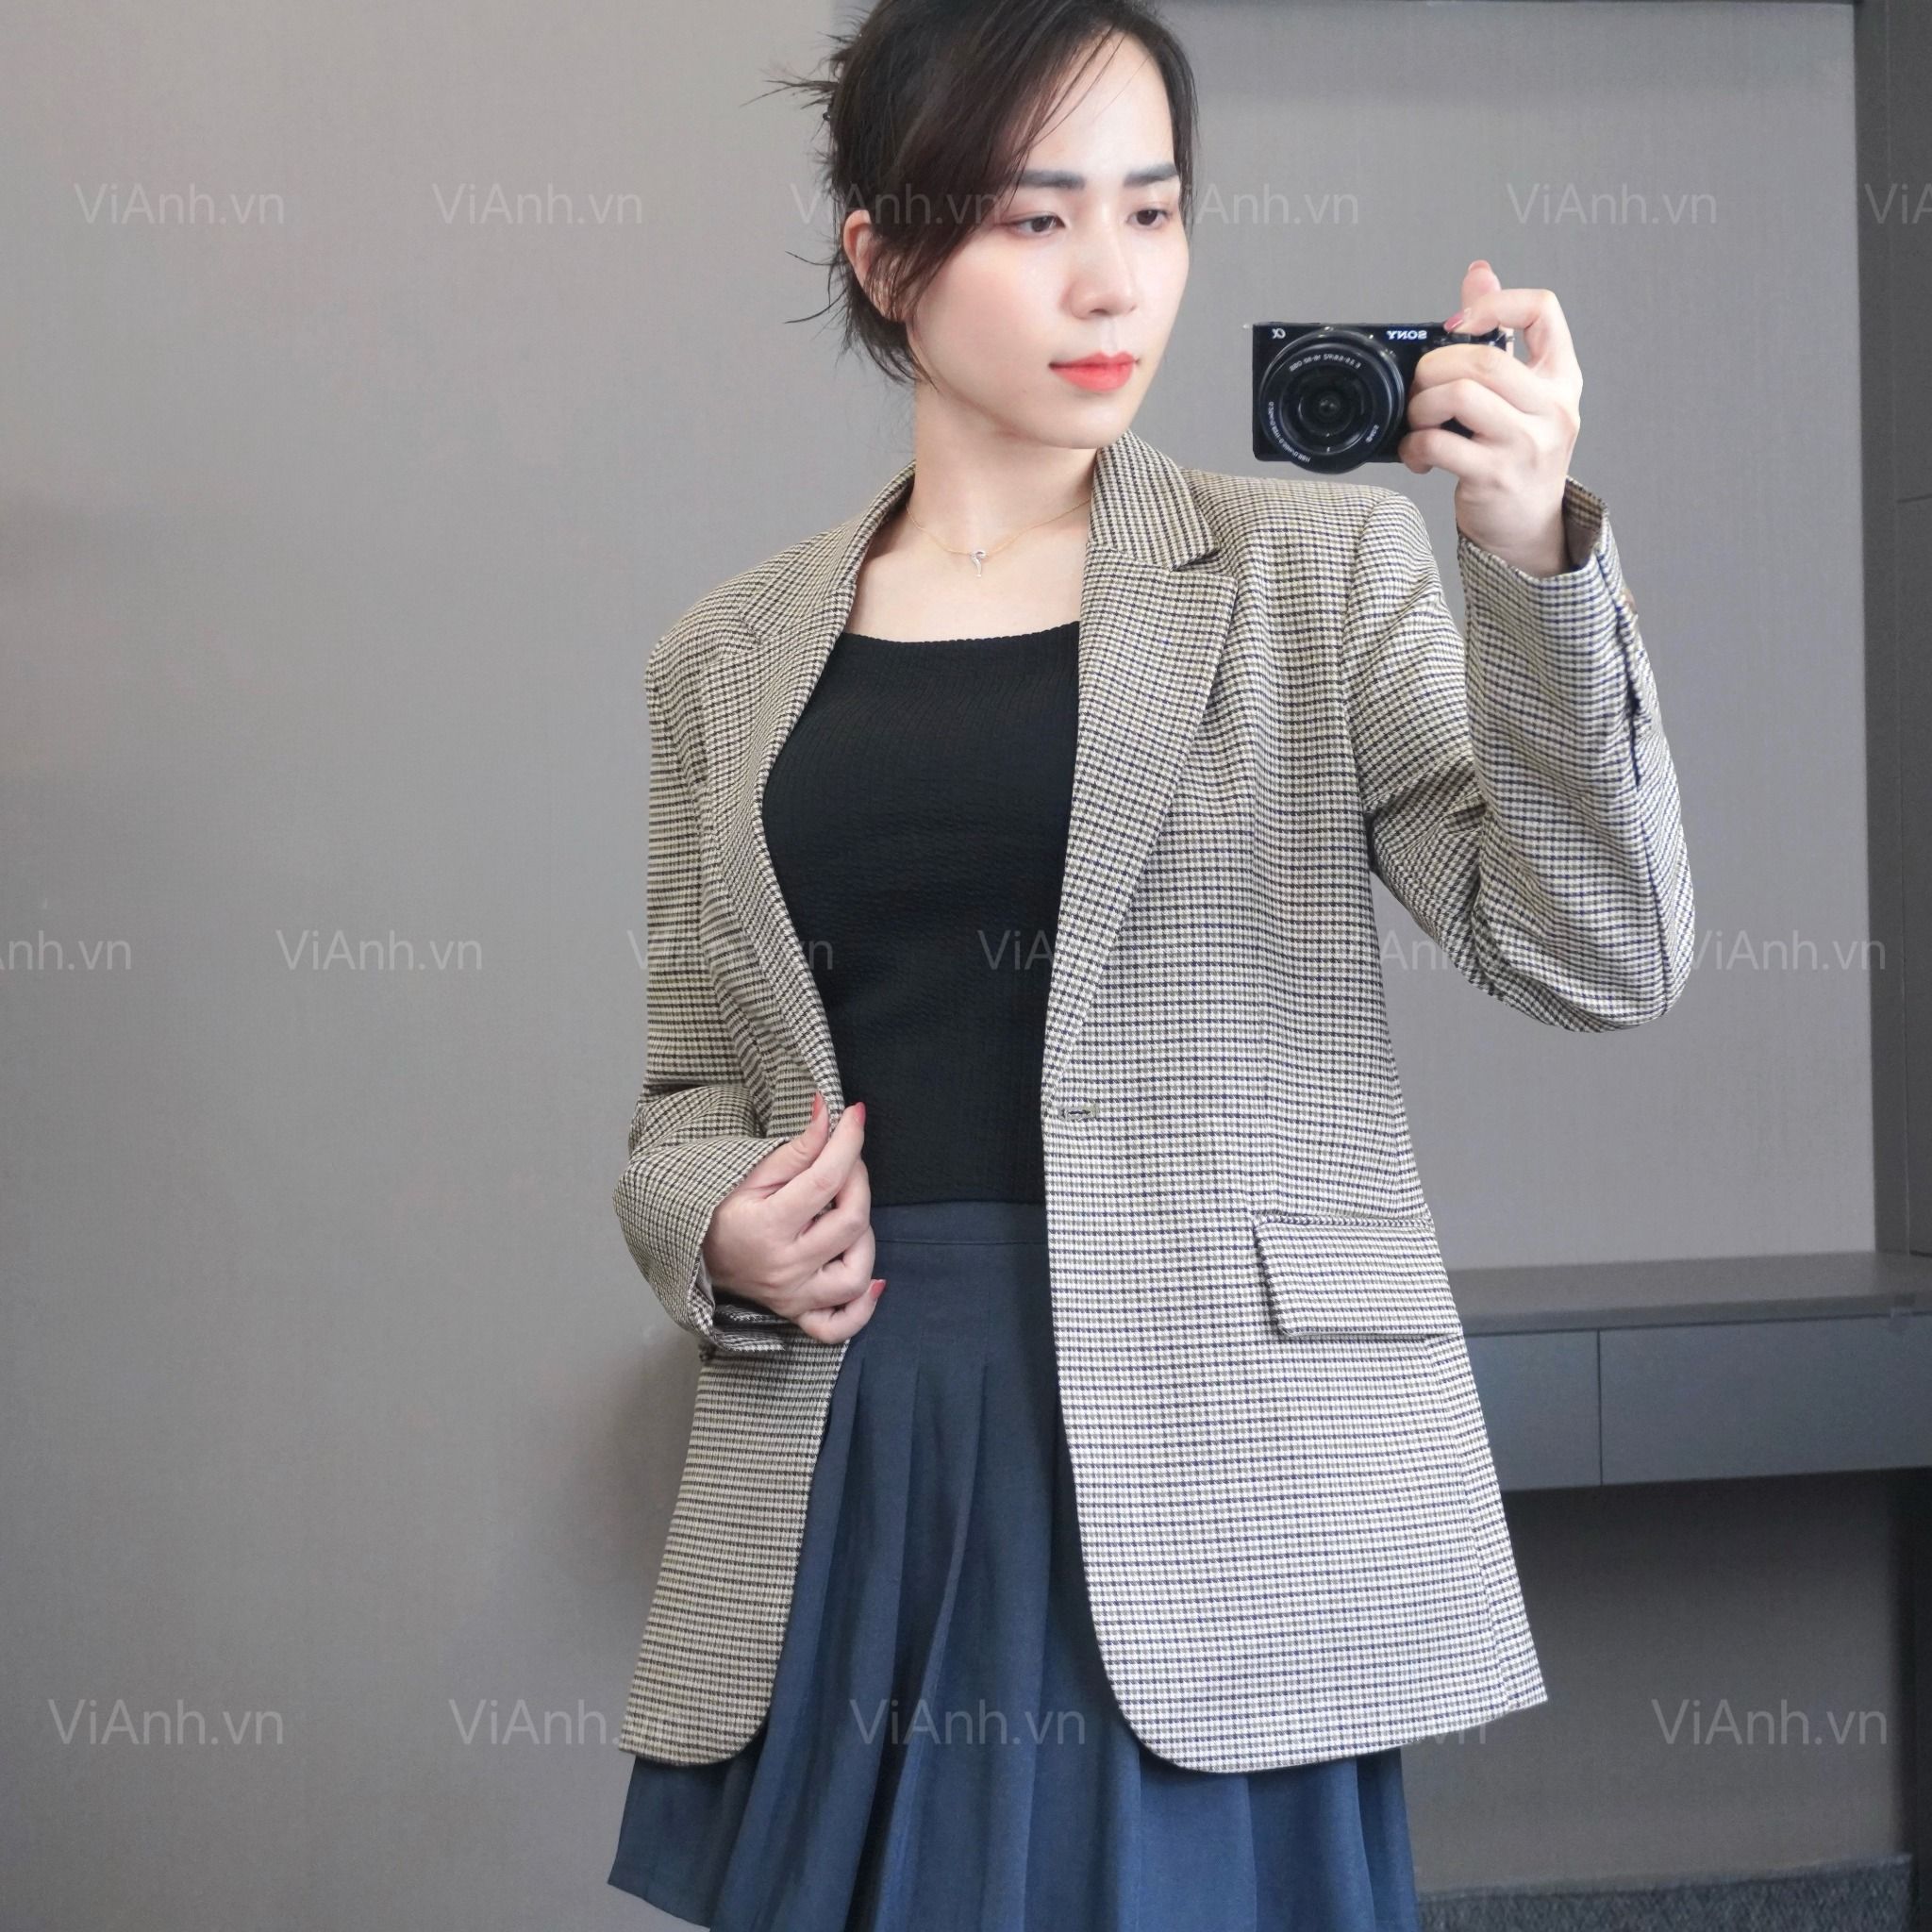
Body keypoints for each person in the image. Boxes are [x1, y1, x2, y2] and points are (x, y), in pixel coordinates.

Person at [606, 2, 1694, 1927]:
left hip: (1215, 1460)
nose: (1111, 280)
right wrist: (716, 1227)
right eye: (1035, 220)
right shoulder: (726, 656)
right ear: (884, 256)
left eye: (1152, 209)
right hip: (862, 1442)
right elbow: (689, 1092)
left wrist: (1528, 557)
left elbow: (1593, 952)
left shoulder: (1315, 574)